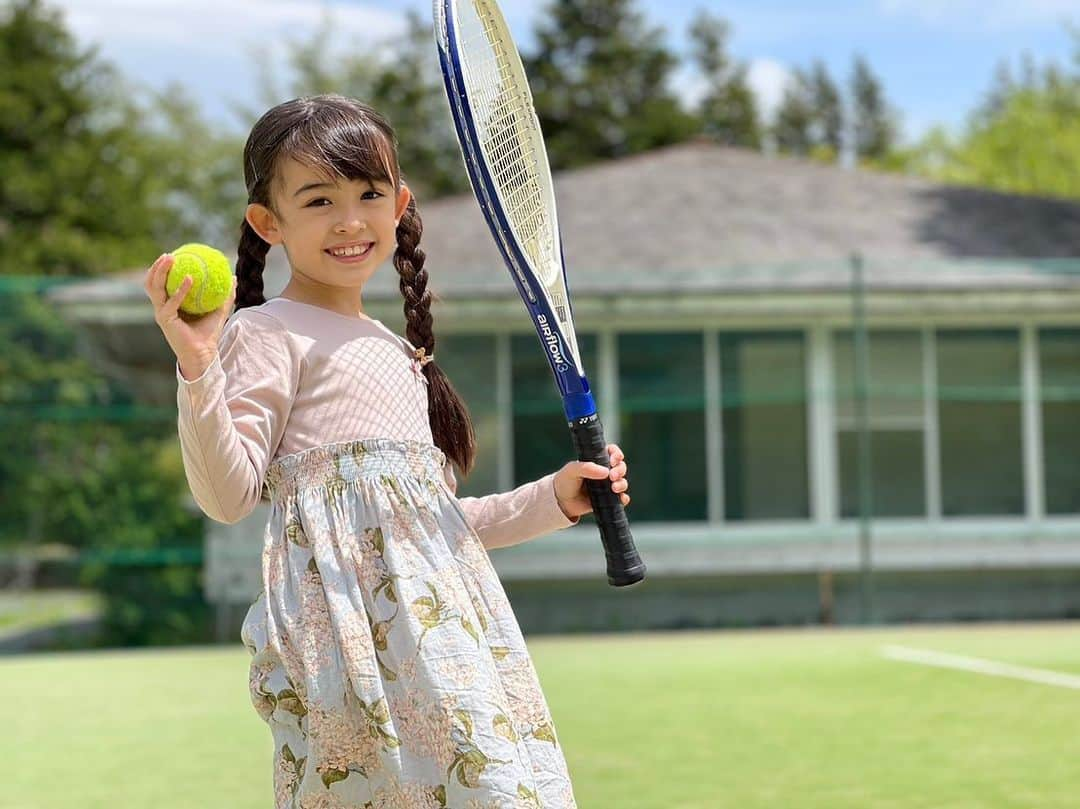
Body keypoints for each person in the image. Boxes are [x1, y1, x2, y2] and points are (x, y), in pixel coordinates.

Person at [143, 94, 631, 809]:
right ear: (267, 223)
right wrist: (198, 367)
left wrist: (556, 497)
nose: (349, 219)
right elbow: (226, 496)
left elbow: (437, 530)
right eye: (318, 199)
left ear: (399, 204)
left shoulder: (405, 353)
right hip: (349, 651)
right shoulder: (266, 332)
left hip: (449, 636)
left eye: (369, 193)